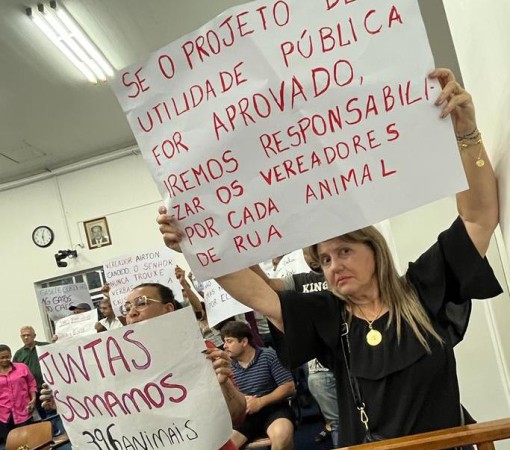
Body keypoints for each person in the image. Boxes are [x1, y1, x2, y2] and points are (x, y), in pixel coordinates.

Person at [157, 68, 503, 446]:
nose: (334, 265)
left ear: (375, 250)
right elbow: (255, 294)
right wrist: (194, 241)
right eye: (324, 260)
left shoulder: (423, 289)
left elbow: (478, 217)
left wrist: (466, 133)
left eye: (344, 251)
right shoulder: (327, 316)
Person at [42, 282, 245, 450]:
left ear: (168, 309)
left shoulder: (201, 351)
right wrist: (66, 400)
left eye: (141, 303)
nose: (132, 312)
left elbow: (238, 414)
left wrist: (223, 384)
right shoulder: (111, 366)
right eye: (127, 308)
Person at [221, 321, 295, 450]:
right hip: (244, 415)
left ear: (244, 342)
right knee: (223, 446)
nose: (224, 346)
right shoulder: (227, 367)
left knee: (282, 437)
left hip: (274, 410)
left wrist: (260, 402)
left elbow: (288, 386)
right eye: (224, 341)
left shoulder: (269, 355)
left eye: (229, 341)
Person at [13, 327, 56, 421]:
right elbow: (15, 373)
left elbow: (57, 356)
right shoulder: (18, 354)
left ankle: (59, 430)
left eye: (28, 335)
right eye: (23, 336)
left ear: (34, 336)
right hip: (33, 389)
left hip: (49, 384)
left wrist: (56, 342)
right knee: (42, 411)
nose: (26, 337)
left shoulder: (44, 346)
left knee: (53, 409)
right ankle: (51, 430)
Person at [0, 344, 37, 445]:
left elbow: (31, 384)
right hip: (4, 416)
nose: (5, 360)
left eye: (7, 356)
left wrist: (33, 399)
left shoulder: (22, 368)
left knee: (28, 442)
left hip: (23, 412)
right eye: (2, 358)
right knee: (12, 444)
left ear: (11, 355)